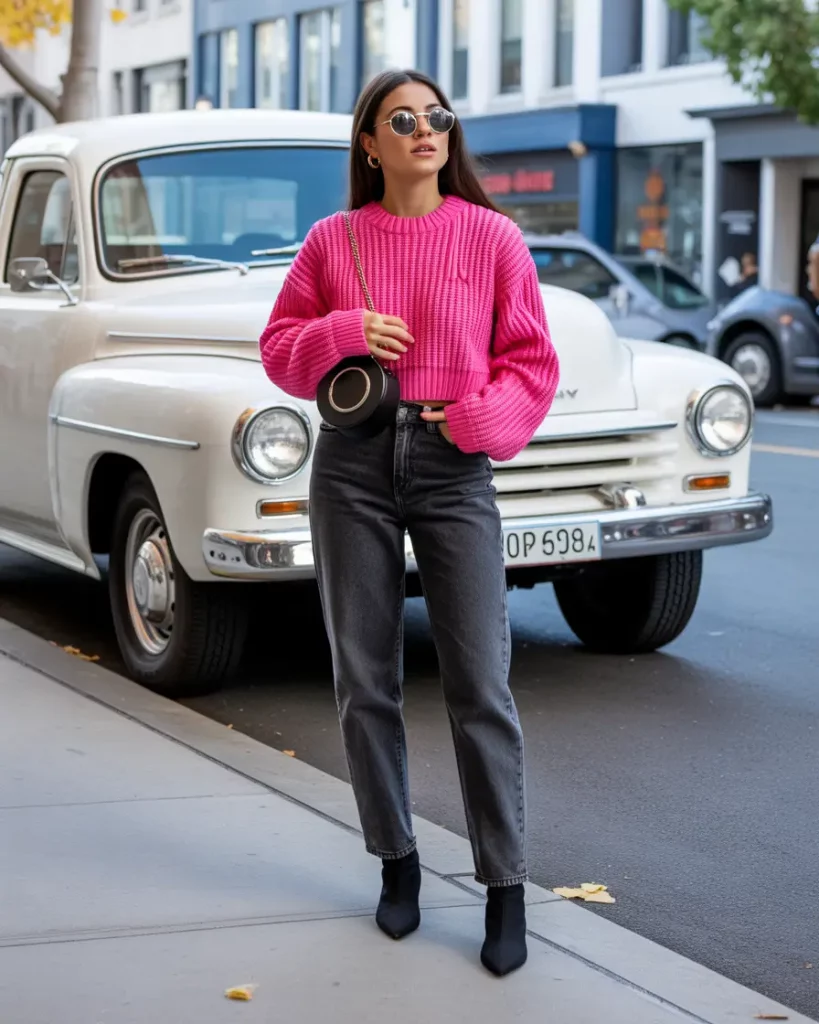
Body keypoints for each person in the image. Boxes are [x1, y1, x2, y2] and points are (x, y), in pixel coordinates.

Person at [259, 69, 559, 976]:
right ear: (370, 142)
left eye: (437, 116)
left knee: (479, 681)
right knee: (365, 678)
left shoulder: (494, 237)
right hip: (350, 461)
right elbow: (278, 351)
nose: (425, 129)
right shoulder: (333, 239)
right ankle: (397, 863)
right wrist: (343, 330)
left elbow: (531, 363)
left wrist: (475, 422)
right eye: (403, 119)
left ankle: (504, 886)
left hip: (452, 464)